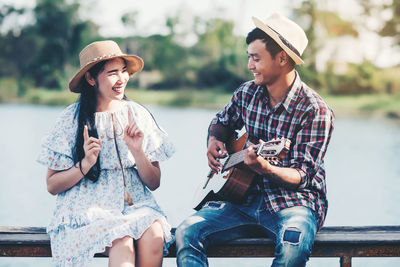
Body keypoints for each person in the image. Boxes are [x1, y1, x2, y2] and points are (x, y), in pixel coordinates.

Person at [176, 13, 334, 267]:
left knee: (294, 244)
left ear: (282, 59)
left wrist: (265, 167)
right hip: (240, 200)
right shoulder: (247, 92)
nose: (249, 65)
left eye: (255, 58)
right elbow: (221, 122)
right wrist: (214, 140)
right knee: (186, 231)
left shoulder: (316, 110)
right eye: (249, 56)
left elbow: (303, 176)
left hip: (295, 202)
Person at [37, 40, 175, 266]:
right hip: (90, 209)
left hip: (137, 206)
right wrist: (86, 164)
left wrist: (138, 152)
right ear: (91, 79)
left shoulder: (138, 115)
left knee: (154, 236)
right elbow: (52, 185)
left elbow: (154, 182)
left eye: (123, 71)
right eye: (112, 73)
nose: (121, 79)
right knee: (123, 240)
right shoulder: (70, 120)